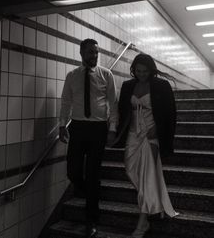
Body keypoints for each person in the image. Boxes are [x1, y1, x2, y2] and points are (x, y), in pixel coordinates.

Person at [59, 38, 118, 238]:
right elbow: (66, 101)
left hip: (98, 129)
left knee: (93, 173)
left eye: (96, 52)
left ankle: (91, 219)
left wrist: (113, 128)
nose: (94, 55)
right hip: (78, 127)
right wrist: (61, 125)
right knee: (73, 171)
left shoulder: (106, 74)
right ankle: (92, 192)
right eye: (90, 52)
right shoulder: (72, 76)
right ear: (81, 53)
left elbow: (113, 102)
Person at [115, 53, 178, 238]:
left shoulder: (161, 86)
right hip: (133, 135)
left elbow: (170, 113)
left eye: (145, 71)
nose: (141, 74)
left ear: (151, 70)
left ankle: (142, 223)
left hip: (151, 135)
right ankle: (152, 200)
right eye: (138, 71)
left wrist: (158, 130)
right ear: (133, 70)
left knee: (146, 177)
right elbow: (122, 111)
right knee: (130, 169)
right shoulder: (128, 86)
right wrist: (114, 131)